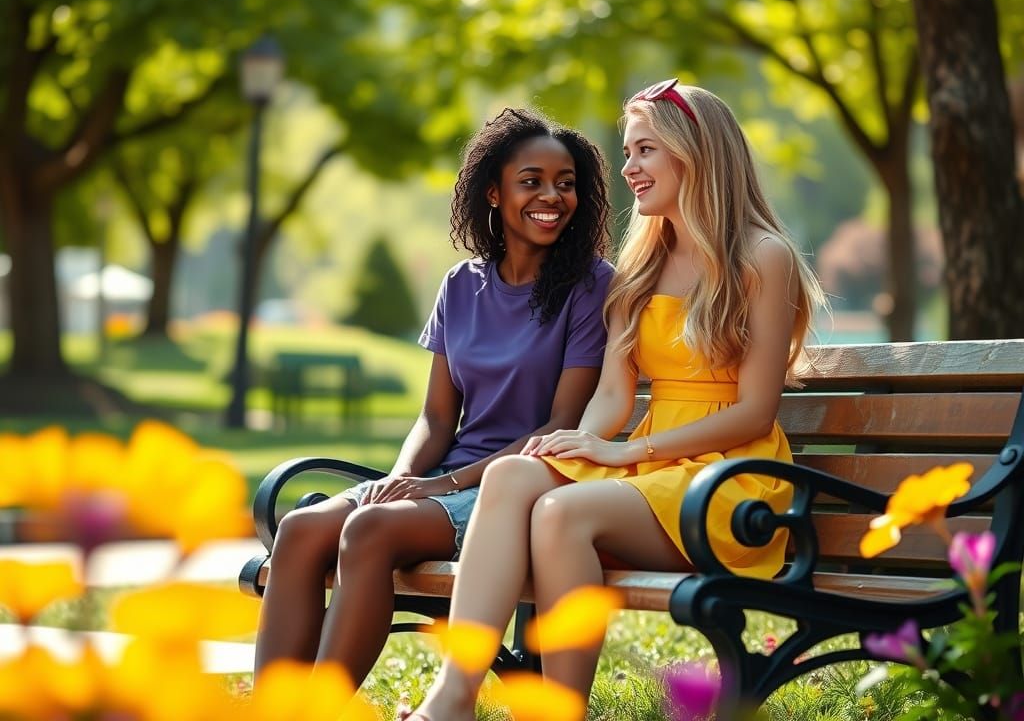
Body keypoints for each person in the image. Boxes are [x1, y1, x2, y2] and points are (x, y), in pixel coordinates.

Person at [405, 80, 827, 720]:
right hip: (654, 466)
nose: (627, 169)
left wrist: (625, 447)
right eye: (629, 152)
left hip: (730, 477)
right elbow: (611, 392)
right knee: (514, 473)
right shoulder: (643, 261)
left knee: (561, 515)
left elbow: (754, 412)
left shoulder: (761, 256)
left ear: (695, 154)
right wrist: (576, 443)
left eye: (645, 151)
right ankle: (453, 697)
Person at [252, 108, 614, 687]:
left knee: (368, 532)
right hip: (444, 478)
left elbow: (562, 422)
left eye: (565, 183)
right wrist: (395, 480)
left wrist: (441, 486)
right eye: (532, 181)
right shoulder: (460, 285)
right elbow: (436, 416)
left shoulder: (591, 286)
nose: (552, 195)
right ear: (493, 192)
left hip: (517, 487)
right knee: (299, 531)